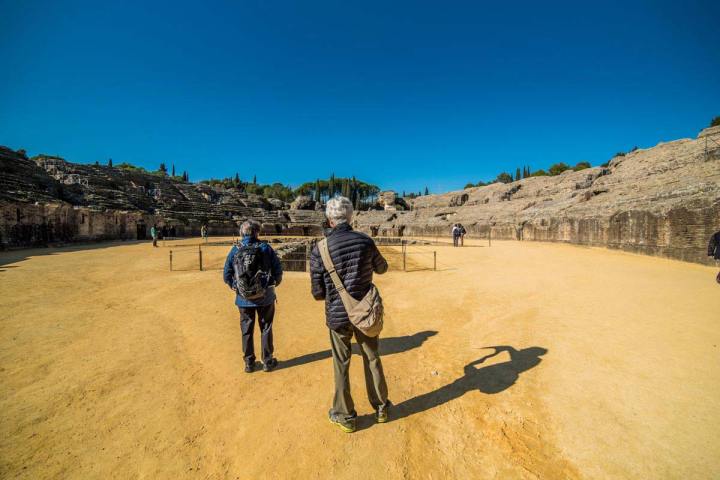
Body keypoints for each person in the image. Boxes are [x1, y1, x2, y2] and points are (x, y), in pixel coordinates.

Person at [310, 196, 390, 433]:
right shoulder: (365, 242)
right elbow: (382, 268)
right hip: (365, 312)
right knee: (372, 358)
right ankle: (381, 407)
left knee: (341, 364)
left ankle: (345, 416)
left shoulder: (320, 249)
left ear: (329, 219)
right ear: (350, 216)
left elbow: (317, 293)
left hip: (337, 316)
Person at [223, 220, 283, 373]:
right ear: (257, 233)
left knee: (246, 329)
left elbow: (226, 274)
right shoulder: (265, 248)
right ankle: (267, 361)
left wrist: (236, 287)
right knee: (266, 327)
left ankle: (249, 363)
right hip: (265, 297)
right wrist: (272, 285)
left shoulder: (235, 250)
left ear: (242, 233)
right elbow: (278, 271)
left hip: (243, 299)